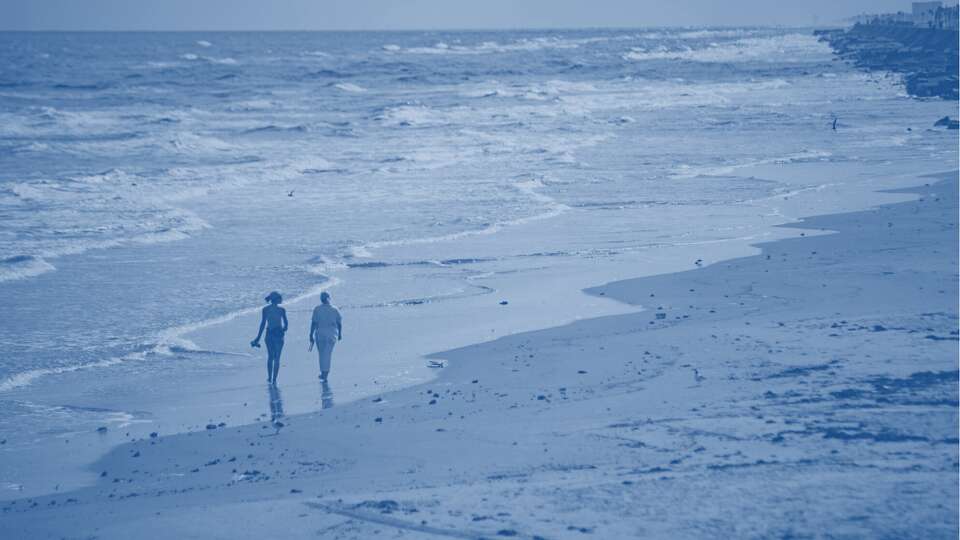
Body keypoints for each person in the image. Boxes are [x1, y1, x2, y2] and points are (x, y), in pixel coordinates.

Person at [250, 291, 288, 384]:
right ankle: (274, 379)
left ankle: (269, 377)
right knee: (277, 358)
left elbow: (263, 324)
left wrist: (258, 338)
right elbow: (286, 324)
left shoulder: (265, 309)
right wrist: (283, 330)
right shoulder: (282, 310)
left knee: (270, 357)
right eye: (280, 298)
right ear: (277, 299)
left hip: (269, 334)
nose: (281, 299)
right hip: (278, 335)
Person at [309, 291, 341, 381]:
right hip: (331, 334)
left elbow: (314, 323)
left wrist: (310, 334)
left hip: (320, 334)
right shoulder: (335, 309)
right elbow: (339, 323)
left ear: (321, 299)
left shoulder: (317, 309)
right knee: (328, 354)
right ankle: (325, 373)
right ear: (329, 298)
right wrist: (340, 334)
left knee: (322, 354)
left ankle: (324, 373)